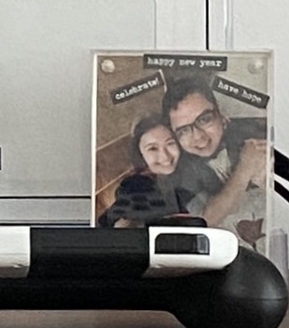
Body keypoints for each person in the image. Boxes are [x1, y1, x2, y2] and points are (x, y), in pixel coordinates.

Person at [166, 74, 268, 234]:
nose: (198, 136)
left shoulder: (254, 132)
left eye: (204, 119)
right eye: (183, 131)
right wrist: (245, 169)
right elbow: (205, 220)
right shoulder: (179, 171)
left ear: (221, 115)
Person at [98, 107, 193, 226]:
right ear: (140, 154)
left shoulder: (190, 174)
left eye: (170, 143)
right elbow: (113, 223)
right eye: (152, 148)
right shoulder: (135, 187)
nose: (164, 156)